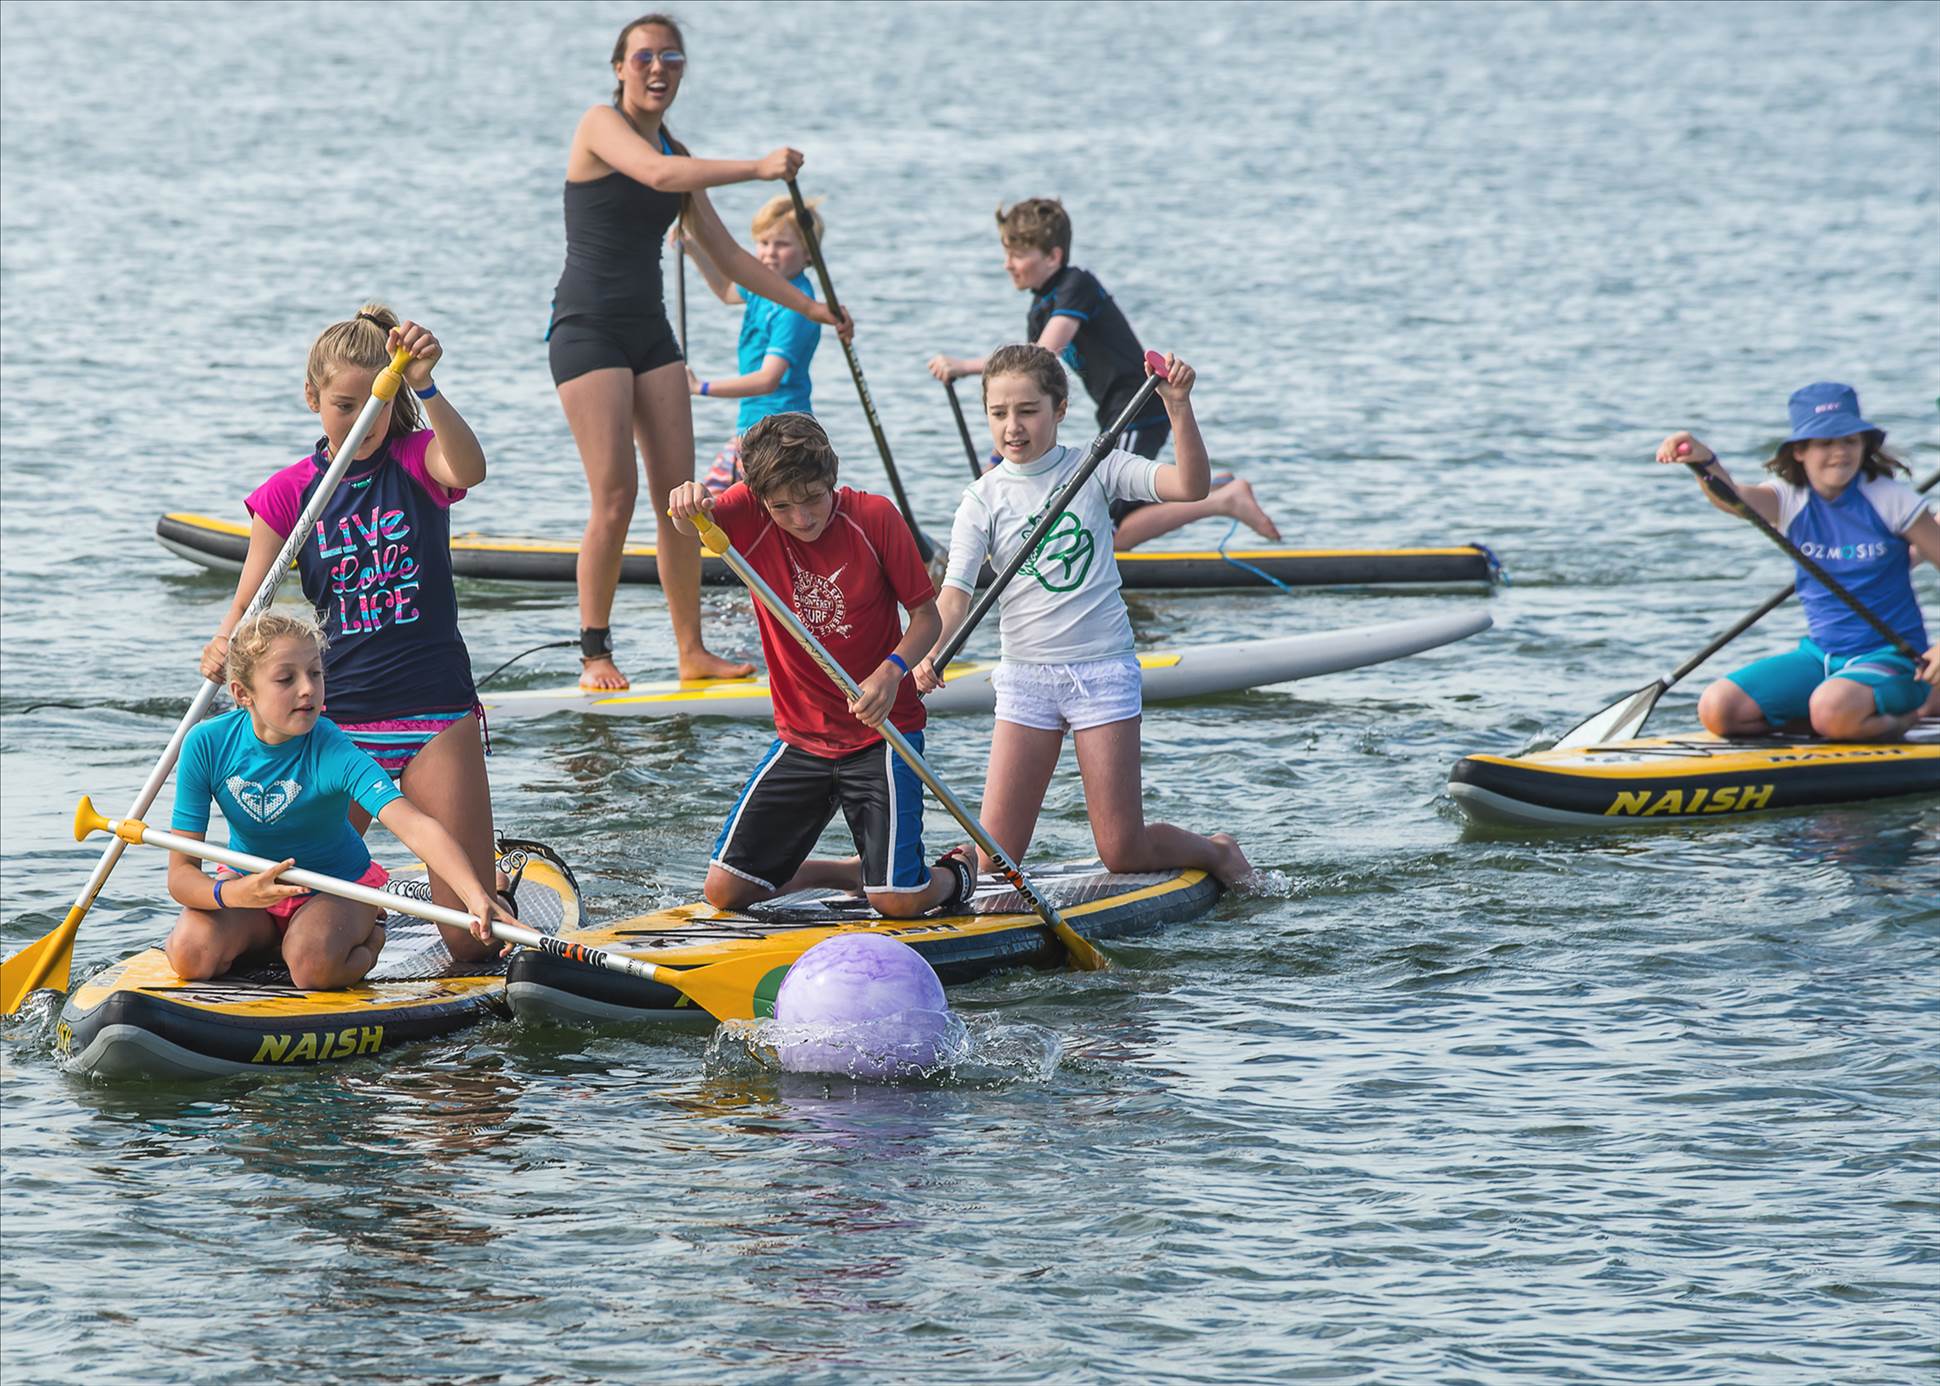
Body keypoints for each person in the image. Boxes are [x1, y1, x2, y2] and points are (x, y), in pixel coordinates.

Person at [551, 12, 851, 691]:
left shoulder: (679, 151)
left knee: (679, 499)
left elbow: (731, 257)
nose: (658, 68)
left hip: (649, 332)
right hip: (587, 329)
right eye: (644, 57)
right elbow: (657, 175)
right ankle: (595, 653)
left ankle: (692, 649)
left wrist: (813, 309)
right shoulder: (601, 125)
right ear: (620, 67)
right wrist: (758, 168)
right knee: (616, 495)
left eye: (672, 58)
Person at [199, 305, 505, 963]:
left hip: (434, 713)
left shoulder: (417, 459)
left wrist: (425, 385)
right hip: (333, 726)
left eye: (377, 403)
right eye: (344, 405)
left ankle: (490, 888)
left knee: (467, 944)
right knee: (288, 903)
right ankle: (360, 920)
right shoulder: (290, 493)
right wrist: (224, 641)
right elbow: (251, 598)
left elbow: (470, 469)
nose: (363, 419)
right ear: (312, 398)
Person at [913, 344, 1254, 888]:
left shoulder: (1097, 467)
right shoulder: (981, 498)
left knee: (1121, 851)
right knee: (994, 859)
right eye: (999, 413)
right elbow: (954, 596)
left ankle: (1217, 851)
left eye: (1028, 411)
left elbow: (1190, 488)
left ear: (1060, 408)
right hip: (1025, 679)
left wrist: (1178, 406)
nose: (1013, 427)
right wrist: (929, 654)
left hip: (1101, 672)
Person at [666, 413, 974, 918]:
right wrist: (686, 504)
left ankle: (957, 872)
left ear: (831, 478)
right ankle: (847, 872)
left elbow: (927, 618)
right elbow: (689, 527)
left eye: (812, 498)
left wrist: (890, 672)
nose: (801, 518)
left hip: (883, 732)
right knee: (724, 892)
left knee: (897, 902)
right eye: (782, 507)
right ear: (760, 498)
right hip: (803, 736)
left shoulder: (874, 517)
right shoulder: (749, 511)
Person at [167, 611, 515, 991]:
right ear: (242, 693)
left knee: (312, 968)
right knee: (188, 954)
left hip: (336, 888)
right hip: (250, 887)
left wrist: (475, 895)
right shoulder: (206, 744)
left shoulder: (332, 749)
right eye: (286, 678)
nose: (308, 689)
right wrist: (236, 893)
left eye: (315, 673)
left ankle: (370, 936)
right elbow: (181, 875)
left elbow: (414, 825)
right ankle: (273, 941)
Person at [926, 197, 1279, 549]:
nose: (1007, 265)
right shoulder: (1039, 309)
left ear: (1052, 257)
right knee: (1113, 505)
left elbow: (1042, 355)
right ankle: (1219, 488)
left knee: (1107, 527)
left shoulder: (1075, 286)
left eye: (1018, 255)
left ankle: (1223, 500)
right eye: (1006, 255)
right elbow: (1024, 390)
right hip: (1113, 412)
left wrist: (964, 367)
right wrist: (996, 461)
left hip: (1138, 407)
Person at [1657, 381, 1940, 742]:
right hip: (1820, 657)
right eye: (1825, 443)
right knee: (1718, 708)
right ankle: (1834, 721)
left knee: (1830, 708)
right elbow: (1734, 500)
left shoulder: (1892, 500)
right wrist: (1704, 461)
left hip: (1895, 659)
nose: (1840, 453)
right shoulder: (1789, 499)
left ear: (1864, 445)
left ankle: (1916, 709)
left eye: (1850, 441)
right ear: (1799, 451)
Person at [681, 193, 827, 497]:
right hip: (749, 428)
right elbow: (726, 291)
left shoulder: (796, 308)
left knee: (729, 504)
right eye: (764, 242)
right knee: (709, 505)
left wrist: (700, 387)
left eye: (781, 244)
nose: (769, 252)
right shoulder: (761, 287)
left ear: (808, 253)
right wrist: (693, 249)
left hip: (783, 433)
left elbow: (767, 380)